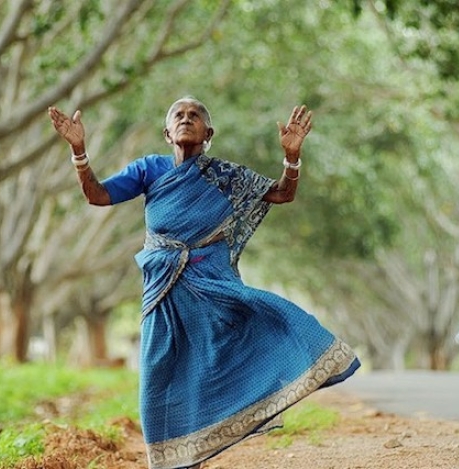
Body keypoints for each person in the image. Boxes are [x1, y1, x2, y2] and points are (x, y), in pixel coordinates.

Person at [48, 97, 360, 469]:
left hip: (211, 287)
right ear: (167, 133)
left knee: (238, 345)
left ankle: (207, 445)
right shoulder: (150, 169)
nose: (186, 119)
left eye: (194, 115)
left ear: (208, 134)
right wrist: (79, 151)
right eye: (178, 115)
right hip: (161, 291)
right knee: (156, 381)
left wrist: (291, 158)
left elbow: (281, 193)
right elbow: (98, 195)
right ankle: (171, 460)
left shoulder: (225, 177)